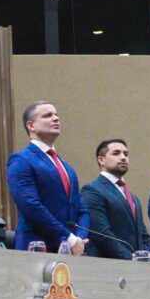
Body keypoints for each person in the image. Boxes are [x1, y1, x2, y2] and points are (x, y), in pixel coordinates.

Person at [6, 101, 89, 253]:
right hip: (36, 248)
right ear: (31, 126)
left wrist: (79, 239)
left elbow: (81, 209)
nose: (56, 118)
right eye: (47, 115)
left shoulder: (66, 166)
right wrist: (69, 239)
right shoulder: (21, 159)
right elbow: (31, 206)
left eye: (56, 115)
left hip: (71, 252)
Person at [80, 139, 150, 259]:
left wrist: (145, 257)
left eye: (126, 154)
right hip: (110, 265)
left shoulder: (133, 197)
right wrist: (130, 259)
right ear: (101, 160)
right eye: (116, 153)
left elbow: (143, 235)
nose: (123, 157)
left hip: (137, 267)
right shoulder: (93, 190)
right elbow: (102, 235)